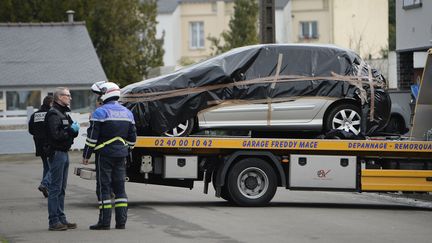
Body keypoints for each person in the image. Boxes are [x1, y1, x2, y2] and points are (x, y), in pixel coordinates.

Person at [82, 81, 136, 230]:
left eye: (99, 94)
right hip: (121, 155)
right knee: (120, 188)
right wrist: (126, 150)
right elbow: (132, 138)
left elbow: (92, 137)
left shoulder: (100, 112)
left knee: (104, 187)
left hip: (104, 156)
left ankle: (104, 222)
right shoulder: (128, 113)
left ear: (106, 94)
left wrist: (86, 154)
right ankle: (121, 223)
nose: (98, 98)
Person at [45, 87, 79, 231]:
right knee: (55, 188)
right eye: (67, 95)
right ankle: (54, 221)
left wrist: (73, 131)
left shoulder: (64, 113)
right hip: (57, 153)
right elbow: (56, 135)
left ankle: (61, 218)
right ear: (59, 97)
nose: (70, 98)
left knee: (62, 189)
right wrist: (70, 131)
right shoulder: (53, 114)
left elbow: (71, 132)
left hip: (64, 152)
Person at [28, 95, 53, 198]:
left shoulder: (35, 115)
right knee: (54, 166)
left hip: (39, 144)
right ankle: (45, 184)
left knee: (46, 166)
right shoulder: (51, 114)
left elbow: (31, 130)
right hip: (49, 144)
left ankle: (47, 189)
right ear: (51, 104)